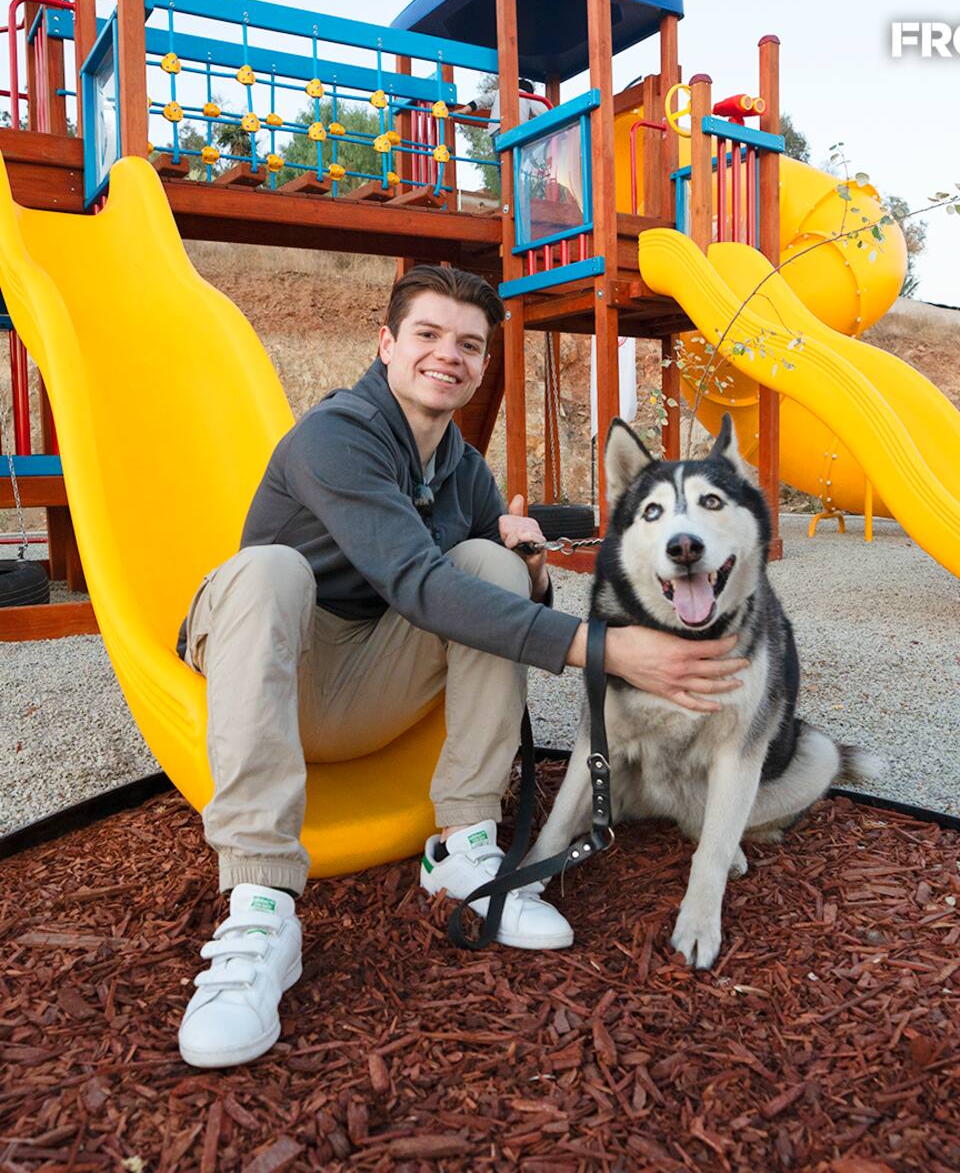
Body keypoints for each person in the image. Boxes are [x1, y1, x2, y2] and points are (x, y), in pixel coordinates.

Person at [174, 264, 747, 1069]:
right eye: (429, 335)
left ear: (482, 365)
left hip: (365, 686)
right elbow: (416, 584)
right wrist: (609, 649)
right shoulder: (336, 437)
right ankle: (260, 905)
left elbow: (480, 592)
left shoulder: (464, 469)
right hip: (275, 671)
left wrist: (532, 565)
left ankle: (465, 845)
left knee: (487, 562)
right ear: (387, 345)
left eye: (470, 345)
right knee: (272, 569)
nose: (450, 355)